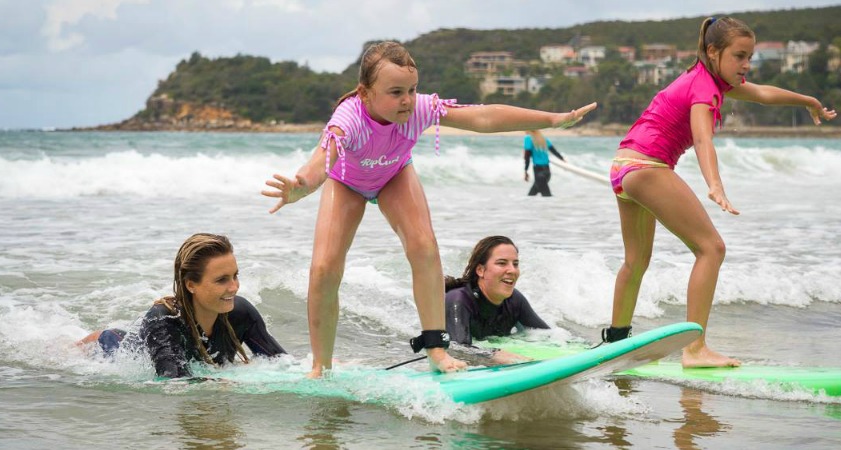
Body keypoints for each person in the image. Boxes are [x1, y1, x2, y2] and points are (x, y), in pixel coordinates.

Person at [261, 41, 595, 378]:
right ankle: (321, 365)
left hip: (394, 175)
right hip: (346, 181)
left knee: (424, 247)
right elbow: (322, 160)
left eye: (412, 89)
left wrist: (552, 119)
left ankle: (436, 348)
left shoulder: (418, 108)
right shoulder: (349, 117)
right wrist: (300, 186)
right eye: (395, 92)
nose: (407, 99)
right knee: (324, 268)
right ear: (365, 92)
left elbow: (483, 115)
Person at [605, 17, 836, 367]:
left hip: (624, 166)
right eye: (740, 56)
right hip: (647, 167)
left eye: (750, 58)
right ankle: (695, 349)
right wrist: (714, 184)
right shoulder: (703, 88)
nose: (746, 65)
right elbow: (702, 137)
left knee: (636, 261)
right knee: (711, 248)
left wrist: (808, 100)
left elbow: (761, 93)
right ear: (713, 52)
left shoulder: (708, 78)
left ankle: (615, 340)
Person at [78, 233, 287, 378]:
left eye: (235, 276)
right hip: (109, 347)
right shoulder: (163, 319)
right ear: (191, 285)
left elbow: (281, 364)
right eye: (221, 280)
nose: (234, 287)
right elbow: (174, 382)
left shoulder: (241, 313)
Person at [444, 236, 550, 365]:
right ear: (480, 270)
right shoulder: (458, 300)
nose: (512, 270)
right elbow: (456, 349)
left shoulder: (515, 299)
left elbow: (545, 334)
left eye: (515, 264)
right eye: (502, 263)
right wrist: (492, 354)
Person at [523, 129, 566, 196]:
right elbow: (554, 151)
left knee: (547, 197)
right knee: (531, 196)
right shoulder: (543, 139)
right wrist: (563, 160)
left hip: (539, 173)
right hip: (547, 173)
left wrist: (525, 171)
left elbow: (527, 157)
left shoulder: (528, 138)